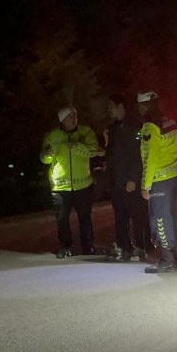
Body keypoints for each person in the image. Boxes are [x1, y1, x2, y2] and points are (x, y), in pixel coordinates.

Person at [137, 91, 177, 273]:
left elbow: (152, 157)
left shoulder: (150, 126)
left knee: (159, 217)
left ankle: (167, 259)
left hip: (160, 178)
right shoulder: (169, 121)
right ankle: (176, 256)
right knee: (170, 215)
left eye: (140, 106)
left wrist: (146, 184)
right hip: (175, 174)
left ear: (144, 106)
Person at [40, 106, 100, 258]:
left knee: (85, 218)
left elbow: (94, 151)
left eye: (75, 115)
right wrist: (47, 154)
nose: (74, 118)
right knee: (62, 219)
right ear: (62, 120)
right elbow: (44, 159)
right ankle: (65, 247)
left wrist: (77, 146)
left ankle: (88, 247)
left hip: (83, 185)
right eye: (70, 116)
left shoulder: (85, 132)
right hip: (60, 186)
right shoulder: (52, 136)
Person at [103, 94, 151, 262]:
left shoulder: (135, 126)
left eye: (111, 106)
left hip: (130, 181)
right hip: (116, 181)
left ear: (121, 106)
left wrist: (133, 178)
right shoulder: (113, 129)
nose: (109, 110)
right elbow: (111, 156)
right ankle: (124, 246)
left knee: (137, 215)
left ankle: (141, 247)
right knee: (120, 216)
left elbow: (139, 154)